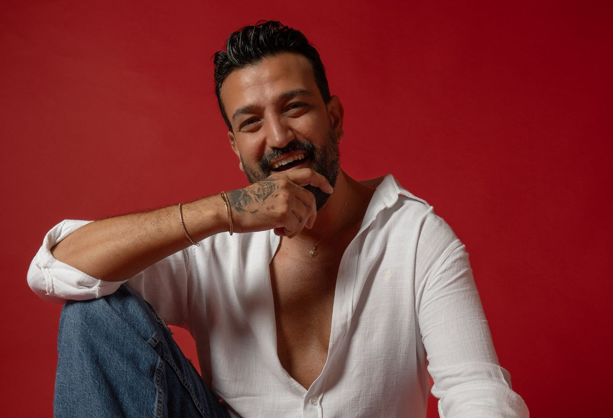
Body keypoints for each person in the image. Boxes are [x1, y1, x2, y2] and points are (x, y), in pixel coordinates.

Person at [28, 20, 529, 418]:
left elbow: (476, 389)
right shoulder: (217, 241)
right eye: (251, 122)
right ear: (235, 146)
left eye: (295, 108)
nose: (279, 137)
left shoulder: (417, 239)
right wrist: (223, 211)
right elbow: (56, 268)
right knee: (92, 310)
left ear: (334, 118)